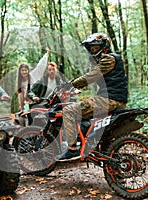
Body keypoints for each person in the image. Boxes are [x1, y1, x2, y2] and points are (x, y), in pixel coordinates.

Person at [55, 33, 128, 162]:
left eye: (95, 47)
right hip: (113, 99)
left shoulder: (109, 59)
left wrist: (69, 84)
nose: (92, 50)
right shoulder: (109, 60)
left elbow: (90, 77)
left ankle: (72, 149)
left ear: (104, 46)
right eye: (91, 48)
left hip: (109, 100)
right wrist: (74, 90)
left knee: (69, 111)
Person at [17, 47, 50, 112]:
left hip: (38, 99)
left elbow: (40, 66)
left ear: (28, 70)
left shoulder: (32, 75)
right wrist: (22, 109)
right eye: (22, 70)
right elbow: (21, 97)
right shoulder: (20, 83)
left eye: (25, 70)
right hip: (29, 103)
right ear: (20, 72)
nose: (24, 72)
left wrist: (46, 54)